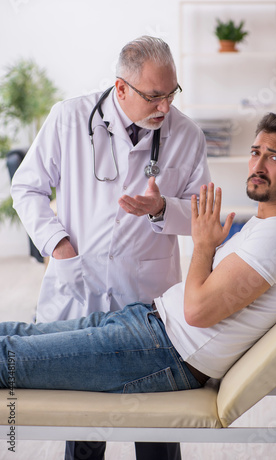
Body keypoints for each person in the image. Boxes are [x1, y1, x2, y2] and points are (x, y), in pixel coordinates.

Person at [2, 112, 276, 444]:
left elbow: (197, 312)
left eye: (275, 158)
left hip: (162, 352)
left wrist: (203, 244)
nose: (258, 165)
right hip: (149, 324)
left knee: (10, 357)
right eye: (256, 152)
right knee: (17, 334)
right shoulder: (272, 224)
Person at [10, 36, 210, 460]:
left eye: (172, 93)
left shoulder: (187, 134)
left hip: (147, 296)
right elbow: (26, 187)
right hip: (79, 285)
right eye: (154, 96)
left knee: (155, 421)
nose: (165, 108)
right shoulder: (69, 118)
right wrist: (58, 245)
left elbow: (200, 215)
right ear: (121, 88)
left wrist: (161, 208)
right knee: (83, 418)